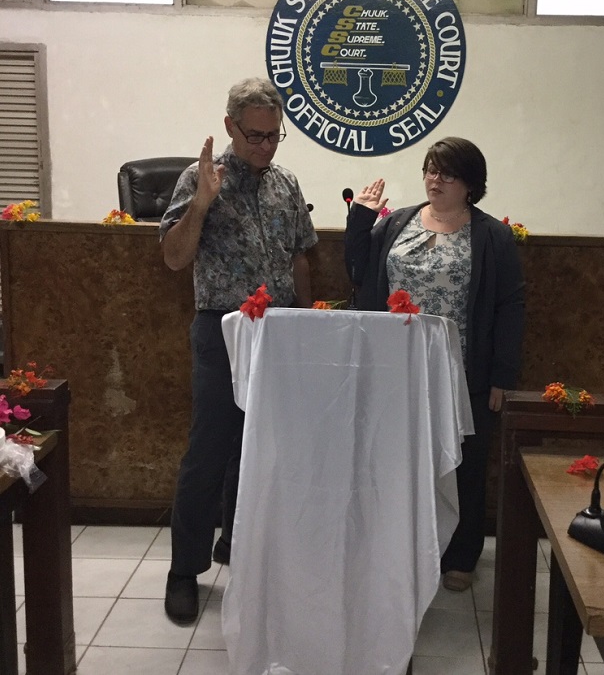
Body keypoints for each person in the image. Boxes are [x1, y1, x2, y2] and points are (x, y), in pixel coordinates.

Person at [159, 77, 318, 624]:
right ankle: (184, 571)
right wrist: (202, 204)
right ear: (230, 126)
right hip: (222, 330)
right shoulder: (198, 179)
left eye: (274, 137)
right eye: (255, 136)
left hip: (280, 332)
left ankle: (240, 547)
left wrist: (307, 322)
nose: (265, 147)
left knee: (261, 451)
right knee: (210, 449)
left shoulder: (286, 183)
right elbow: (176, 259)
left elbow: (301, 258)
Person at [344, 136, 524, 592]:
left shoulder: (491, 236)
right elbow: (360, 273)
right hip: (394, 371)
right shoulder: (397, 221)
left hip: (462, 372)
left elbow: (509, 305)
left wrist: (502, 375)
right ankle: (395, 544)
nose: (434, 179)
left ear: (470, 183)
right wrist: (361, 217)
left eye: (446, 172)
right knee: (393, 461)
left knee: (462, 463)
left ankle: (461, 556)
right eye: (429, 169)